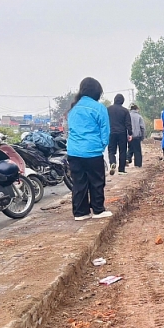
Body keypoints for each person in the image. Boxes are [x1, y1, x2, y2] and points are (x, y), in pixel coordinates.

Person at [66, 77, 113, 221]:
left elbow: (71, 129)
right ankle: (98, 210)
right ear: (97, 92)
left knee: (79, 182)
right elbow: (105, 131)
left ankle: (80, 212)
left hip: (73, 151)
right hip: (92, 151)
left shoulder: (73, 108)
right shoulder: (99, 108)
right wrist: (101, 146)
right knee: (96, 181)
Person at [106, 94, 133, 175]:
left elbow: (105, 121)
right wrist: (130, 134)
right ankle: (121, 169)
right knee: (123, 151)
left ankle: (112, 163)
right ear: (122, 101)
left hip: (111, 132)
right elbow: (128, 123)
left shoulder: (108, 109)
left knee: (111, 150)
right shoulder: (125, 111)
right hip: (122, 133)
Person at [126, 103, 145, 167]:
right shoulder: (139, 117)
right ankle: (138, 164)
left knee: (130, 148)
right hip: (137, 136)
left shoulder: (127, 115)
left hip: (129, 136)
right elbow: (142, 127)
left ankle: (127, 159)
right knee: (137, 151)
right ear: (137, 109)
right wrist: (142, 136)